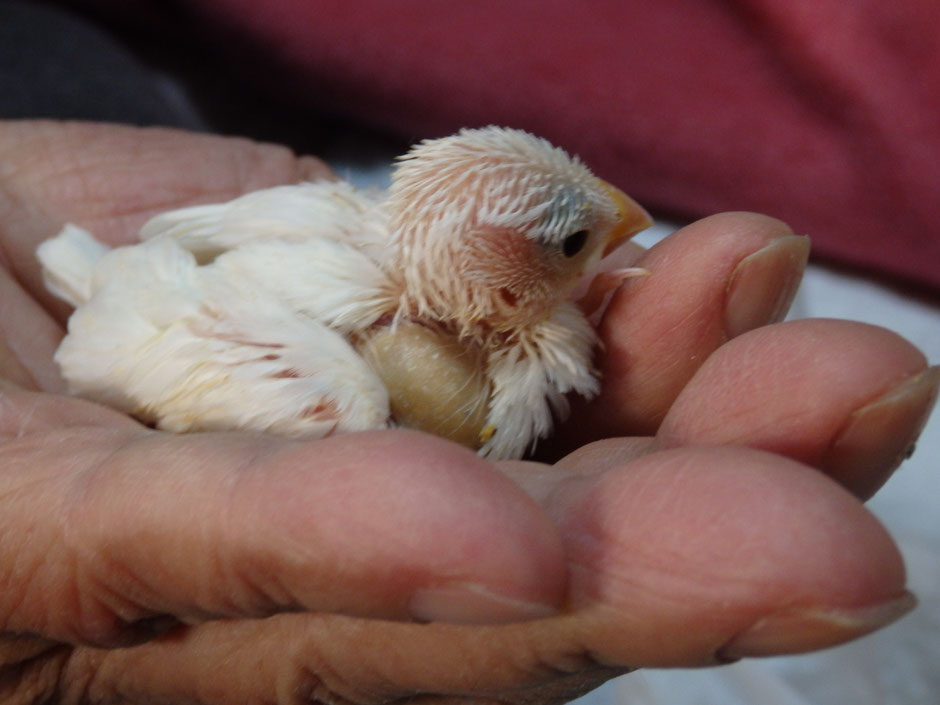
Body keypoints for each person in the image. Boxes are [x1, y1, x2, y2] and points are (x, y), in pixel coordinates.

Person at [0, 120, 936, 705]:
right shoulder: (331, 391)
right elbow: (121, 331)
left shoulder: (385, 232)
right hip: (130, 306)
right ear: (497, 281)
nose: (620, 226)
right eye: (578, 241)